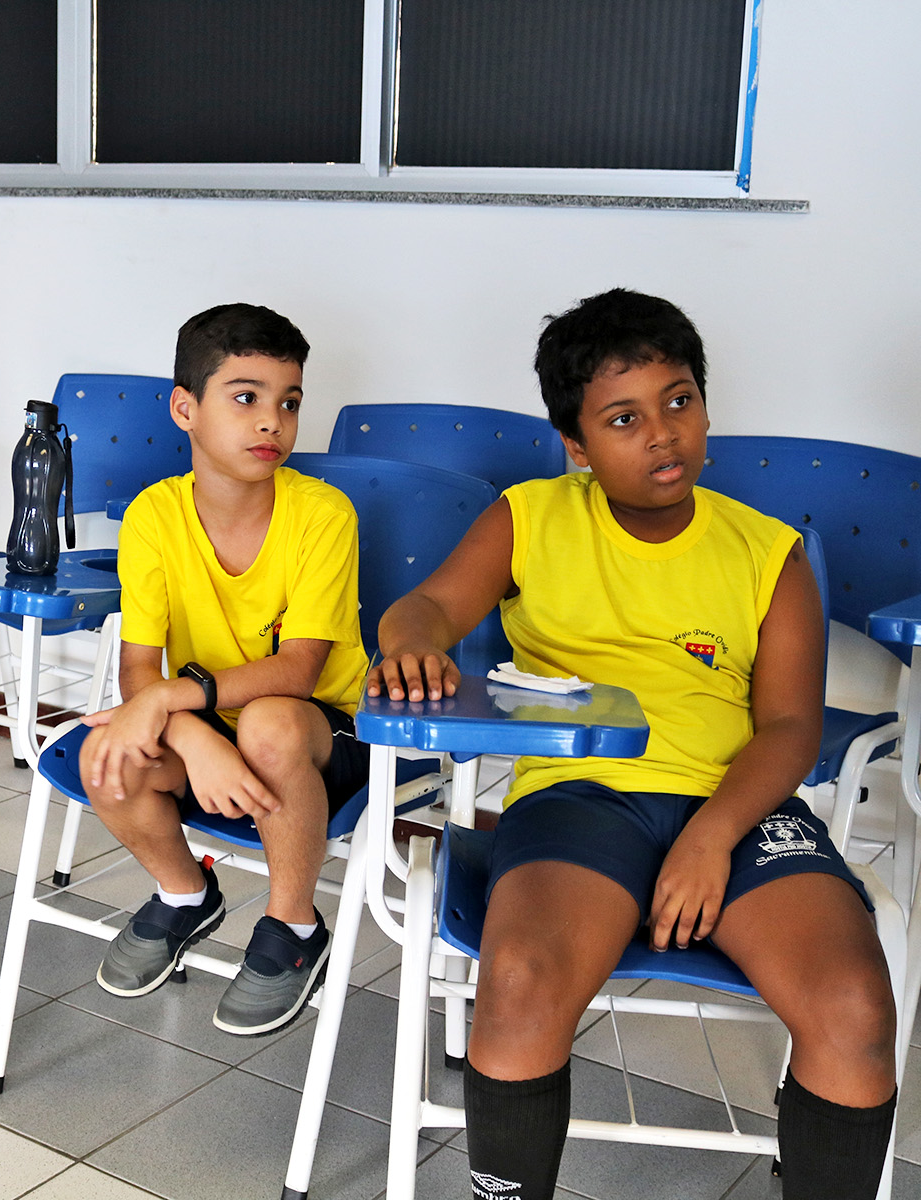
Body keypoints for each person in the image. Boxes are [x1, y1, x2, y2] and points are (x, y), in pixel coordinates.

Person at [370, 288, 896, 1200]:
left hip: (740, 807)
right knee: (522, 978)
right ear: (576, 445)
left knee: (852, 1004)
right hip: (579, 799)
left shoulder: (769, 554)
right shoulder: (530, 516)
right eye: (624, 418)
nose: (663, 435)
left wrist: (711, 837)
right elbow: (428, 607)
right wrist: (411, 641)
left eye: (679, 401)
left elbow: (790, 728)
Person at [81, 302, 369, 1036]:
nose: (272, 421)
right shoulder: (153, 517)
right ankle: (184, 893)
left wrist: (174, 703)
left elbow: (298, 670)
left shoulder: (324, 514)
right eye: (246, 398)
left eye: (289, 403)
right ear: (186, 409)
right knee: (105, 756)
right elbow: (138, 670)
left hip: (324, 732)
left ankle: (294, 925)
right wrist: (191, 734)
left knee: (269, 725)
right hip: (207, 725)